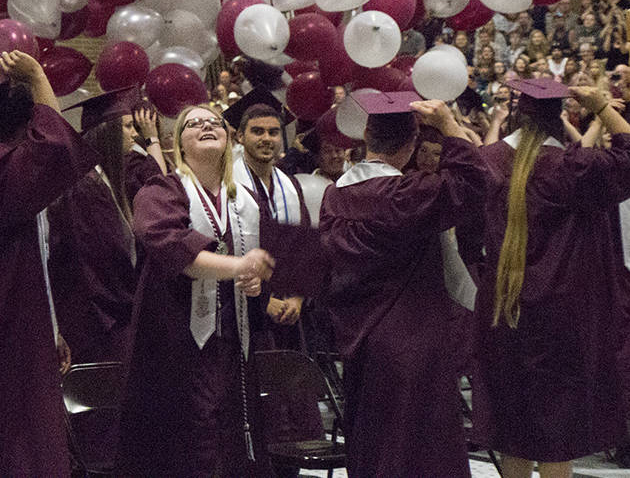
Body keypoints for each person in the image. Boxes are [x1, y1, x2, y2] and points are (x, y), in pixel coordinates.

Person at [0, 46, 98, 477]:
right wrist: (38, 78)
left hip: (15, 327)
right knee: (13, 456)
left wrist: (52, 328)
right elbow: (55, 151)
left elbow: (40, 258)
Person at [319, 92, 486, 478]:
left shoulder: (334, 198)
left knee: (374, 445)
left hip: (360, 340)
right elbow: (475, 181)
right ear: (412, 145)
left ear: (365, 133)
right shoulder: (406, 195)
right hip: (415, 340)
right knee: (420, 452)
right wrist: (449, 128)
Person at [471, 79, 630, 477]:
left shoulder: (487, 160)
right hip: (565, 320)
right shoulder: (577, 167)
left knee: (516, 432)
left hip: (504, 310)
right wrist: (603, 110)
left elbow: (467, 243)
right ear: (561, 116)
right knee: (557, 436)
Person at [117, 103, 274, 478]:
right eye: (193, 124)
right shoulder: (163, 189)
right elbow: (166, 242)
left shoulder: (248, 201)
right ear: (179, 145)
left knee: (232, 446)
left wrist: (255, 284)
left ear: (228, 136)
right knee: (185, 451)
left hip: (233, 348)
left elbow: (265, 262)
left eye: (213, 122)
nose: (205, 126)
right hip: (176, 348)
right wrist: (238, 266)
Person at [47, 89, 141, 365]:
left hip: (112, 312)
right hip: (97, 320)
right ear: (107, 132)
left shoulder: (106, 182)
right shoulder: (85, 187)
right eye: (127, 126)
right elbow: (96, 260)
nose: (135, 134)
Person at [228, 91, 308, 345]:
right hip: (243, 307)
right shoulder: (226, 185)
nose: (267, 139)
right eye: (257, 131)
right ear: (240, 136)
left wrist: (298, 297)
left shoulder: (290, 186)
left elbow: (303, 245)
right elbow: (223, 250)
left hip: (288, 309)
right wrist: (264, 301)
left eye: (273, 132)